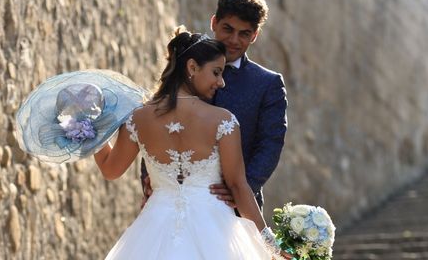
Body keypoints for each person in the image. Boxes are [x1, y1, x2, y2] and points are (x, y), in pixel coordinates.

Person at [94, 28, 289, 259]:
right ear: (192, 67)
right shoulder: (222, 121)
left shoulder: (138, 118)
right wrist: (269, 243)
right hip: (214, 229)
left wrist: (91, 133)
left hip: (153, 228)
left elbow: (110, 169)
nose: (222, 82)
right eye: (216, 72)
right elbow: (238, 186)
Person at [143, 0, 288, 210]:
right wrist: (149, 177)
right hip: (175, 201)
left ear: (255, 35)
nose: (234, 39)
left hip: (236, 209)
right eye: (227, 29)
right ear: (213, 23)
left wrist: (240, 189)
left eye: (244, 33)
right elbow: (158, 117)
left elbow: (270, 144)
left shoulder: (267, 84)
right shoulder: (187, 66)